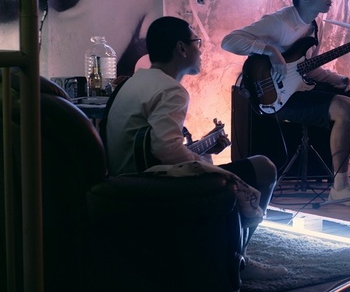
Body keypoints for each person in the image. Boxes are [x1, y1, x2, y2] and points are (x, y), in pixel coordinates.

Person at [104, 16, 287, 279]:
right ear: (181, 48)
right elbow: (167, 150)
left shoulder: (134, 82)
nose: (201, 50)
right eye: (196, 43)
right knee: (264, 167)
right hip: (148, 184)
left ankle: (232, 254)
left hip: (122, 178)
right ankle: (238, 260)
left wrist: (202, 151)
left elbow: (152, 147)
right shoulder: (171, 91)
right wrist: (204, 165)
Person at [222, 0, 350, 207]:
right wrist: (269, 50)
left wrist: (335, 79)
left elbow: (306, 67)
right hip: (276, 97)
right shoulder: (279, 21)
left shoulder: (316, 24)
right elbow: (229, 41)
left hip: (300, 88)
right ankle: (339, 187)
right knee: (345, 107)